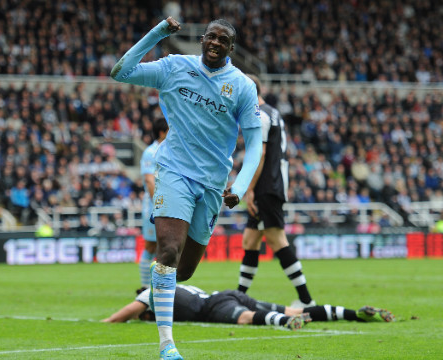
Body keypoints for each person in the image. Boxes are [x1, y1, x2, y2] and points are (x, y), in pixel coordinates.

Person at [111, 17, 263, 359]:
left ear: (231, 48)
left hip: (212, 184)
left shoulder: (241, 86)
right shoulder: (173, 67)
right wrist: (158, 33)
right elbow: (120, 71)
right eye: (211, 37)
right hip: (174, 172)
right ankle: (167, 346)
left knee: (185, 270)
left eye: (223, 40)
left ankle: (156, 286)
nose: (215, 43)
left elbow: (254, 145)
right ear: (202, 39)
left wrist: (238, 187)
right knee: (167, 251)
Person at [237, 75, 315, 308]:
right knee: (250, 240)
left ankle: (307, 300)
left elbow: (259, 155)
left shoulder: (259, 115)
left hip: (266, 186)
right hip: (273, 182)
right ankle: (239, 296)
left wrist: (249, 189)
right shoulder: (272, 112)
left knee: (277, 239)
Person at [102, 284, 395, 328]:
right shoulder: (182, 285)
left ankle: (282, 323)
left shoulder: (153, 293)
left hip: (214, 306)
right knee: (295, 308)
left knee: (246, 319)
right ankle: (351, 313)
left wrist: (105, 324)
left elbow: (124, 314)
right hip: (226, 292)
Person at [138, 118, 169, 291]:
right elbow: (150, 181)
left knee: (165, 246)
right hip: (153, 206)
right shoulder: (150, 152)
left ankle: (159, 285)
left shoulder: (171, 151)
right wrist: (158, 205)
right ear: (162, 133)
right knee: (151, 245)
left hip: (168, 204)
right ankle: (144, 287)